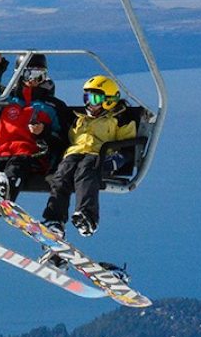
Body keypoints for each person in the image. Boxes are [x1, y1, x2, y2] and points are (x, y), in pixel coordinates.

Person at [0, 54, 72, 236]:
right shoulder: (7, 100)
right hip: (2, 152)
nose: (34, 80)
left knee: (14, 169)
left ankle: (3, 201)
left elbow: (63, 138)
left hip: (32, 154)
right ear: (19, 75)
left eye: (39, 75)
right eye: (29, 74)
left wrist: (43, 132)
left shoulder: (52, 106)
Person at [42, 75, 137, 237]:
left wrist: (116, 160)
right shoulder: (81, 119)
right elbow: (70, 138)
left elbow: (128, 145)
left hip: (99, 155)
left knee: (85, 172)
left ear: (109, 100)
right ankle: (54, 220)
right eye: (86, 98)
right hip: (75, 153)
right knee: (61, 176)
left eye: (95, 99)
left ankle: (87, 216)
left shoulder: (119, 118)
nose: (89, 103)